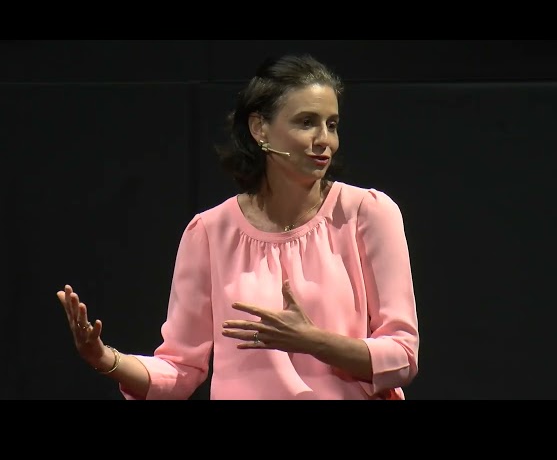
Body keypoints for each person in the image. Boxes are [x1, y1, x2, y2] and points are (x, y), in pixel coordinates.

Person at [56, 53, 420, 400]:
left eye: (332, 124)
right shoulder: (210, 232)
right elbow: (180, 368)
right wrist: (106, 359)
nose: (325, 139)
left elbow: (402, 356)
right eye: (306, 122)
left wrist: (312, 341)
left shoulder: (367, 214)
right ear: (260, 128)